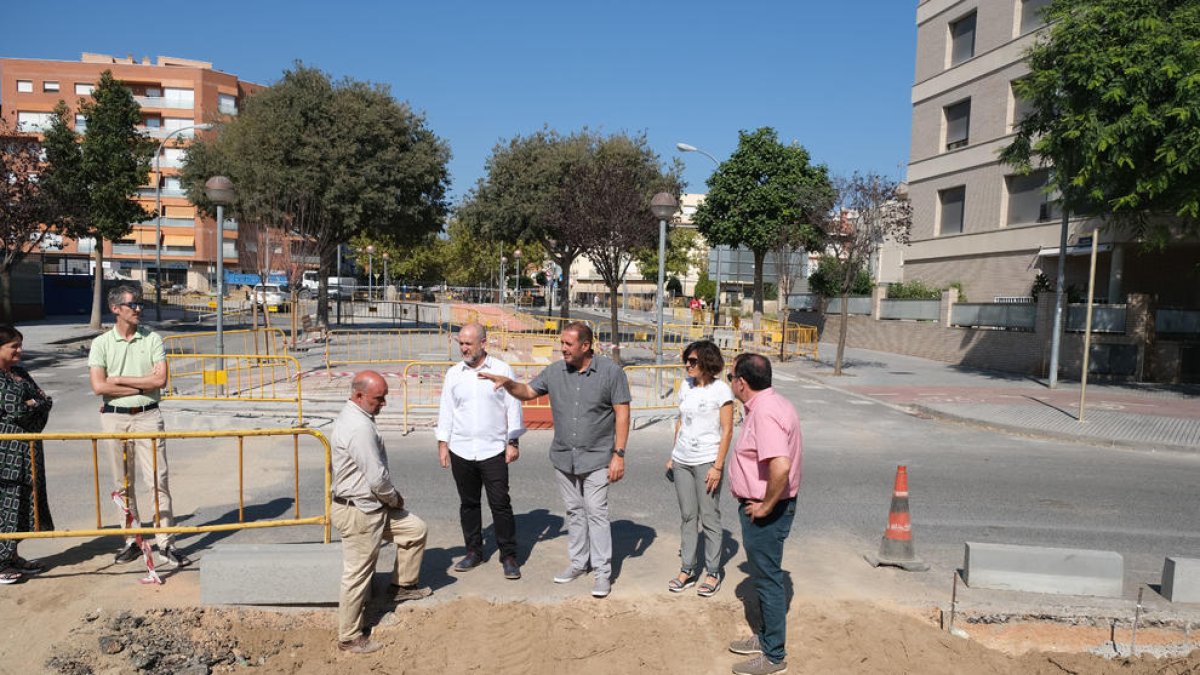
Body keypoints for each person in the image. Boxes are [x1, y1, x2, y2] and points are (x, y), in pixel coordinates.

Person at [479, 321, 629, 599]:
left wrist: (619, 454)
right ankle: (577, 563)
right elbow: (528, 392)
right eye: (561, 343)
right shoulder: (555, 371)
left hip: (597, 456)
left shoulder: (611, 372)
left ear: (585, 346)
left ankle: (602, 572)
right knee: (574, 511)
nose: (562, 349)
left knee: (596, 512)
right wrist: (509, 384)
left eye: (568, 344)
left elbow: (622, 412)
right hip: (564, 457)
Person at [87, 285, 188, 568]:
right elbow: (98, 386)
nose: (139, 309)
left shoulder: (152, 339)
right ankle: (132, 540)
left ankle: (166, 543)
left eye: (140, 304)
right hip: (115, 418)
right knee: (123, 483)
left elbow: (159, 382)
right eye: (133, 304)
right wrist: (138, 383)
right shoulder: (102, 343)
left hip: (148, 416)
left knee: (158, 480)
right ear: (116, 308)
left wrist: (118, 380)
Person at [332, 370, 430, 654]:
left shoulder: (357, 417)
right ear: (359, 395)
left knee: (414, 529)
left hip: (371, 506)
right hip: (362, 511)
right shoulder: (358, 428)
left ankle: (402, 586)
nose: (384, 403)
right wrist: (395, 499)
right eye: (379, 398)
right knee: (358, 573)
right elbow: (376, 479)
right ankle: (349, 636)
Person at [725, 353, 803, 675]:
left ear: (742, 383)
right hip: (767, 507)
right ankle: (766, 638)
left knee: (768, 580)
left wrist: (766, 506)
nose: (730, 382)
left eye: (731, 377)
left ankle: (773, 656)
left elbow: (780, 466)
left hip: (766, 511)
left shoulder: (765, 413)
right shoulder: (774, 404)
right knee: (764, 577)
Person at [435, 323, 524, 580]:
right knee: (469, 504)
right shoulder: (454, 374)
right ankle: (474, 551)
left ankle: (508, 555)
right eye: (460, 343)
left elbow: (513, 407)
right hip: (461, 449)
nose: (463, 348)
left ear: (483, 343)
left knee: (500, 504)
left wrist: (513, 442)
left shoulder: (501, 370)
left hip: (493, 449)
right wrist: (443, 444)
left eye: (468, 343)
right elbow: (447, 410)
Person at [666, 340, 733, 597]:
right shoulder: (685, 386)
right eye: (686, 360)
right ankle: (688, 569)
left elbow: (727, 430)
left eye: (692, 361)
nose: (687, 365)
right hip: (682, 459)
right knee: (687, 516)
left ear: (707, 362)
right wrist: (673, 454)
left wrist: (717, 466)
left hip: (707, 460)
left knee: (709, 517)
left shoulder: (721, 391)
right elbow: (681, 421)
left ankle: (713, 571)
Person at [0, 326, 54, 584]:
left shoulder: (20, 373)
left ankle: (12, 555)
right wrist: (33, 404)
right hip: (5, 453)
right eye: (14, 346)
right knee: (6, 504)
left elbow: (45, 400)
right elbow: (16, 412)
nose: (20, 351)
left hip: (28, 449)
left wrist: (35, 404)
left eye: (20, 345)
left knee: (24, 502)